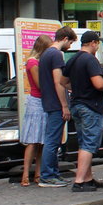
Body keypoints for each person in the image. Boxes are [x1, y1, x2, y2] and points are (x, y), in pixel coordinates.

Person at [65, 31, 103, 192]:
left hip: (76, 104)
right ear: (93, 43)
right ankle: (79, 181)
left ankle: (88, 178)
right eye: (98, 43)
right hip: (91, 105)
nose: (97, 46)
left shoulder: (73, 59)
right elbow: (98, 84)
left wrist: (78, 87)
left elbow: (63, 81)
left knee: (83, 142)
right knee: (89, 144)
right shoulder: (90, 60)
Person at [37, 26, 77, 187]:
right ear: (65, 39)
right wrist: (64, 105)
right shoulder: (56, 55)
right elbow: (58, 81)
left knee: (52, 139)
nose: (70, 47)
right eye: (71, 42)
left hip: (48, 101)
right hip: (55, 103)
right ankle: (47, 175)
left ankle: (53, 173)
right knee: (53, 140)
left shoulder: (46, 54)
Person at [19, 35, 52, 186]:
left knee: (41, 141)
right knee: (33, 140)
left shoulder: (37, 61)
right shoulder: (33, 63)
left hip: (41, 101)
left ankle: (38, 173)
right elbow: (39, 84)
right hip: (37, 102)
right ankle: (26, 174)